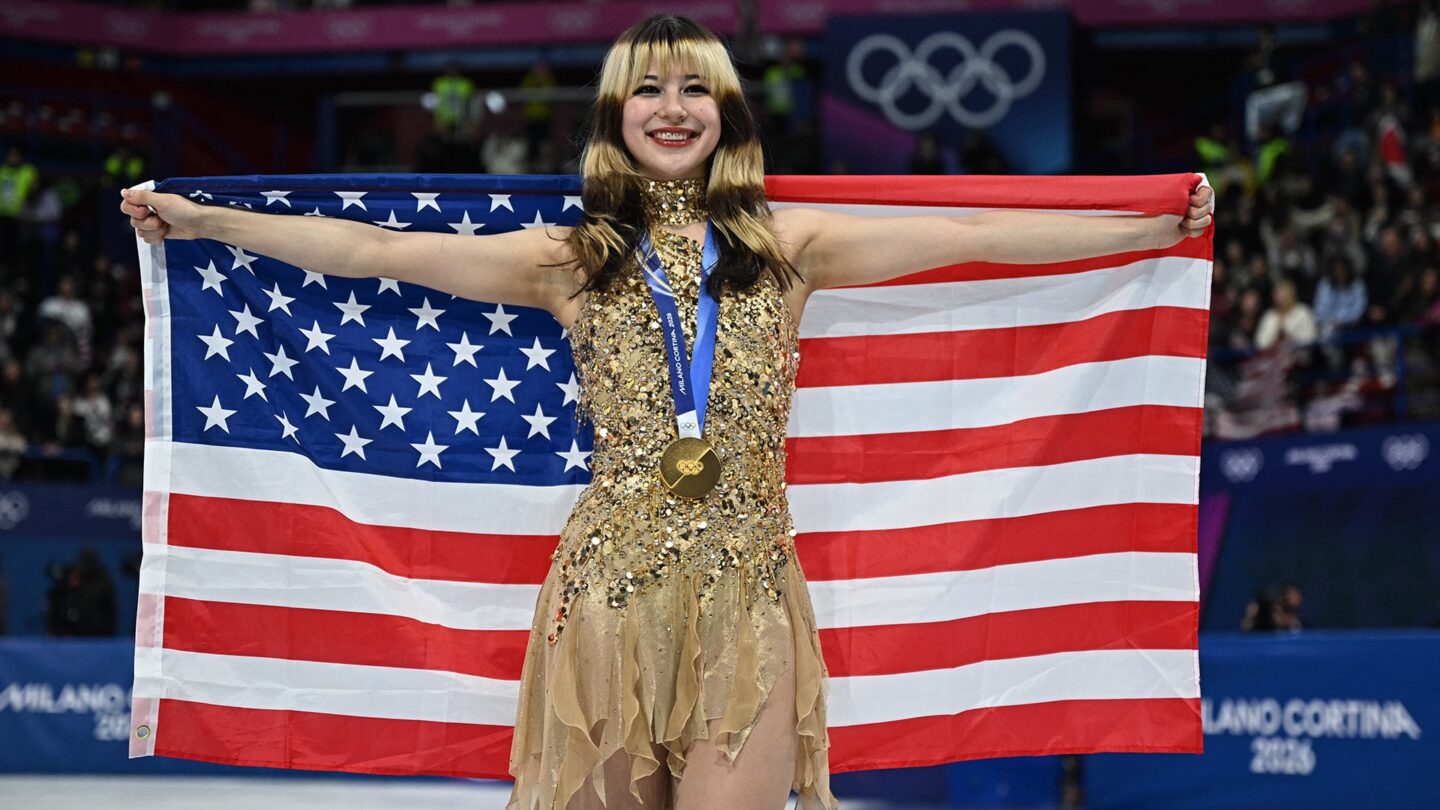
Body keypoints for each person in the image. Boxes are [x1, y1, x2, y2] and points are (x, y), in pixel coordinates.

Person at [119, 15, 1213, 809]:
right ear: (616, 115)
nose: (673, 108)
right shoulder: (571, 260)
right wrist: (203, 219)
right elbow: (373, 250)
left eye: (695, 89)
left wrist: (1147, 227)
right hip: (606, 591)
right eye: (649, 90)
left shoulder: (789, 247)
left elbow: (980, 237)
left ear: (726, 112)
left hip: (746, 590)